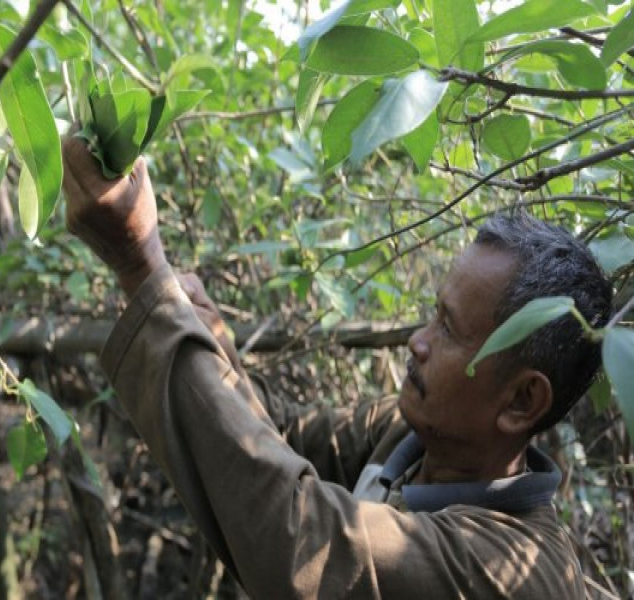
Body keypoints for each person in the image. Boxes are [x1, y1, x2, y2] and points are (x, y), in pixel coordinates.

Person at [61, 137, 612, 599]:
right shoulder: (413, 440)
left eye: (448, 329)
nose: (418, 342)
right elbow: (278, 438)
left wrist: (141, 263)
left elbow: (307, 544)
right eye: (432, 316)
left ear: (521, 403)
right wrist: (216, 345)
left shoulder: (512, 571)